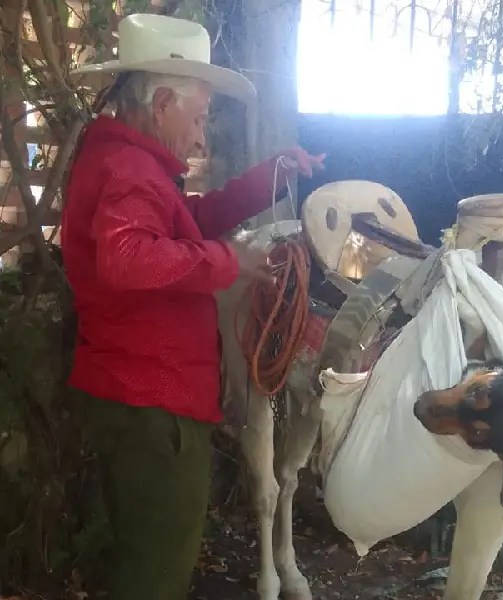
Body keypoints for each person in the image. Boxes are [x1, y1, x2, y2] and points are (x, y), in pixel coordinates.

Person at [60, 13, 324, 600]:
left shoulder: (127, 162)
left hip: (138, 398)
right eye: (199, 118)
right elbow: (129, 259)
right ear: (161, 103)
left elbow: (184, 229)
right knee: (155, 575)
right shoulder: (130, 169)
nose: (203, 137)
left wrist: (265, 181)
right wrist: (229, 263)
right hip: (153, 406)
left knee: (144, 557)